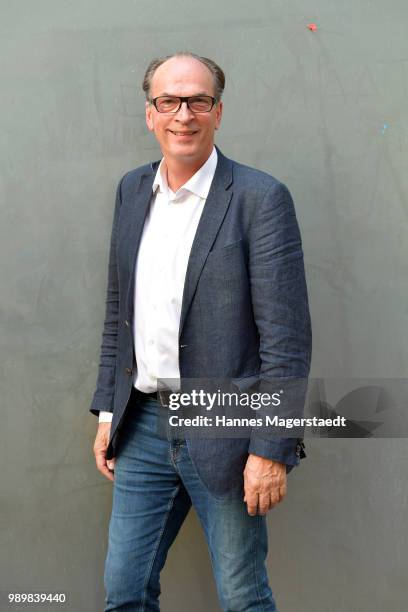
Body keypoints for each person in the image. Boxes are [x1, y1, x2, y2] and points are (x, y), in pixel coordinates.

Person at [90, 51, 312, 612]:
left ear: (218, 112)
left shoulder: (260, 199)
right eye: (169, 101)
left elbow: (286, 340)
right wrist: (108, 411)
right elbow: (122, 309)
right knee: (124, 591)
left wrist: (271, 449)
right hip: (141, 425)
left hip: (226, 428)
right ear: (150, 113)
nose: (182, 115)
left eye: (198, 101)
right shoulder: (131, 190)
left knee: (242, 596)